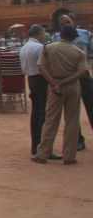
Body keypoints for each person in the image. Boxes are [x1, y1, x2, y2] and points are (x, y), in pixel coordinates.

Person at [32, 24, 89, 165]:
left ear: (61, 35)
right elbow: (82, 72)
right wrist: (65, 82)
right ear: (74, 37)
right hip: (72, 86)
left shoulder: (48, 47)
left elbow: (41, 67)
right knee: (72, 121)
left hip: (54, 86)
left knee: (51, 120)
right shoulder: (79, 52)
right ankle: (69, 156)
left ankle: (43, 154)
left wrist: (54, 83)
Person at [53, 13, 93, 151]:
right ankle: (78, 140)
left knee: (92, 106)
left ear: (73, 22)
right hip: (68, 78)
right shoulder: (56, 38)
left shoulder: (86, 34)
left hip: (84, 76)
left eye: (68, 21)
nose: (66, 24)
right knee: (72, 112)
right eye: (63, 23)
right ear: (60, 26)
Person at [20, 25, 60, 159]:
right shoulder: (39, 47)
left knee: (36, 114)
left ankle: (36, 146)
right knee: (43, 115)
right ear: (38, 34)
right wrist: (53, 82)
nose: (45, 35)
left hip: (31, 79)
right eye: (43, 33)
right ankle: (43, 148)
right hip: (41, 80)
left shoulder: (24, 47)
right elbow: (43, 66)